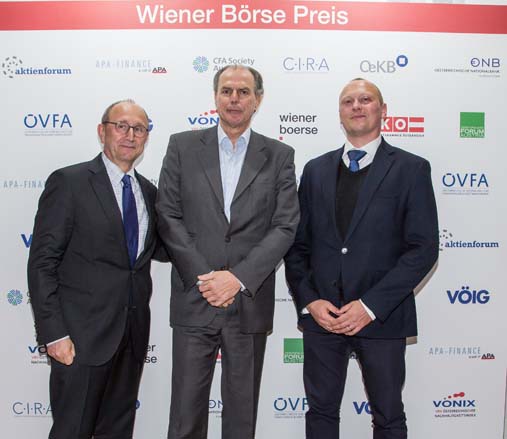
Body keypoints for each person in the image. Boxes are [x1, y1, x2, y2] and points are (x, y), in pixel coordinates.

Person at [284, 78, 439, 439]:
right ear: (339, 113)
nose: (356, 106)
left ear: (383, 111)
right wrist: (310, 301)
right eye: (348, 101)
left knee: (388, 416)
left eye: (365, 99)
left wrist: (369, 307)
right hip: (323, 318)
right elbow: (297, 247)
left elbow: (423, 249)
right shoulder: (315, 170)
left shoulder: (411, 169)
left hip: (382, 318)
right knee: (320, 414)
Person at [156, 64, 299, 439]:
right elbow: (167, 215)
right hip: (195, 297)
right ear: (215, 97)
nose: (234, 99)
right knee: (185, 417)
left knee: (241, 420)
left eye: (244, 92)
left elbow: (285, 225)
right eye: (227, 91)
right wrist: (207, 279)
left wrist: (236, 279)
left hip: (247, 303)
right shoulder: (182, 146)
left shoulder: (279, 155)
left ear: (258, 100)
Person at [28, 99, 167, 439]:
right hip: (79, 340)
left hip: (131, 338)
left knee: (117, 431)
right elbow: (42, 263)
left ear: (146, 137)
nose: (130, 135)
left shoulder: (149, 193)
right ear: (102, 131)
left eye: (139, 129)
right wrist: (54, 334)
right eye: (121, 126)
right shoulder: (69, 182)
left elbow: (161, 251)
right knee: (72, 431)